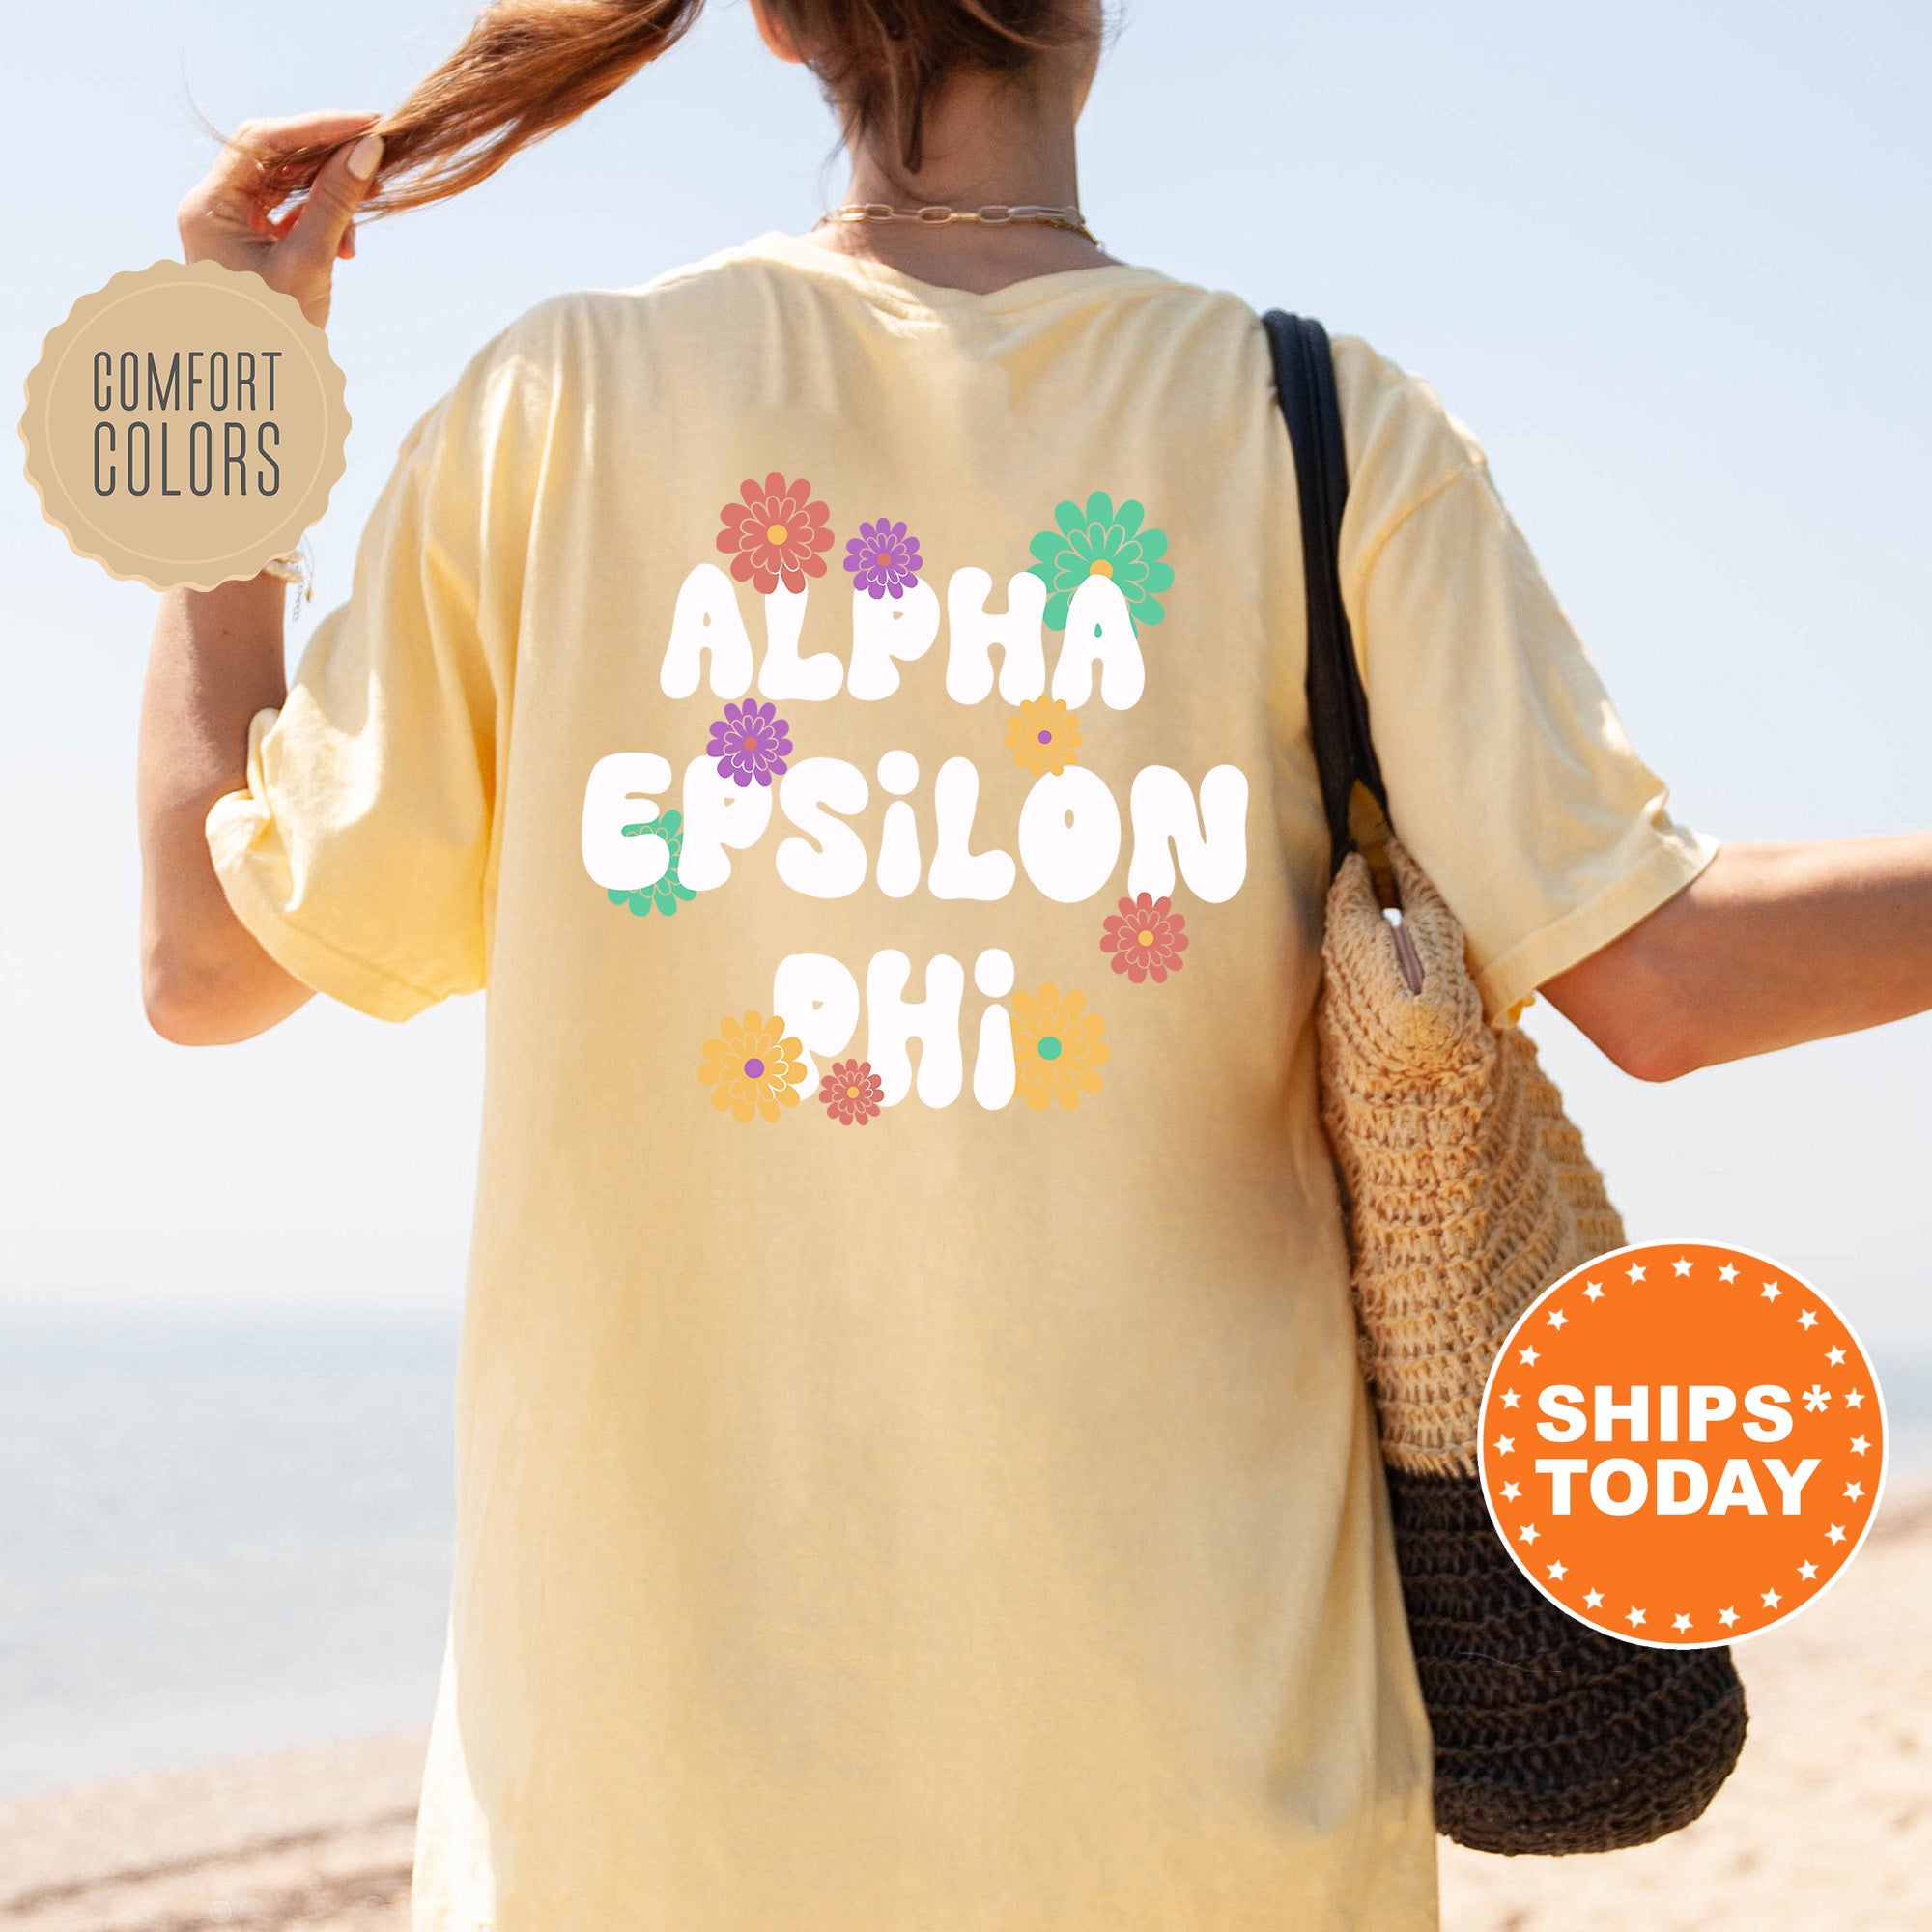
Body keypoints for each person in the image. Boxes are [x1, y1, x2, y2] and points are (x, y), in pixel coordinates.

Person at [140, 3, 1932, 1928]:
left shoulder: (558, 407)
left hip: (636, 1821)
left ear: (767, 23)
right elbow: (1661, 984)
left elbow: (205, 963)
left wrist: (230, 381)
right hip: (1206, 1803)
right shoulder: (1316, 430)